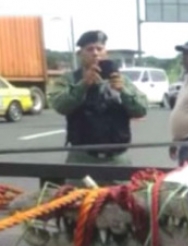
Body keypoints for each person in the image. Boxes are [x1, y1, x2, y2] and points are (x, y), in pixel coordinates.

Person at [48, 30, 148, 187]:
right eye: (90, 49)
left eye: (99, 49)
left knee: (122, 207)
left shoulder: (121, 80)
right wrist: (84, 84)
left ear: (105, 52)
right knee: (75, 207)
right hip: (82, 159)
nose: (95, 53)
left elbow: (141, 110)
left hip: (117, 160)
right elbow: (60, 106)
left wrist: (124, 91)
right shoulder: (69, 80)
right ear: (80, 53)